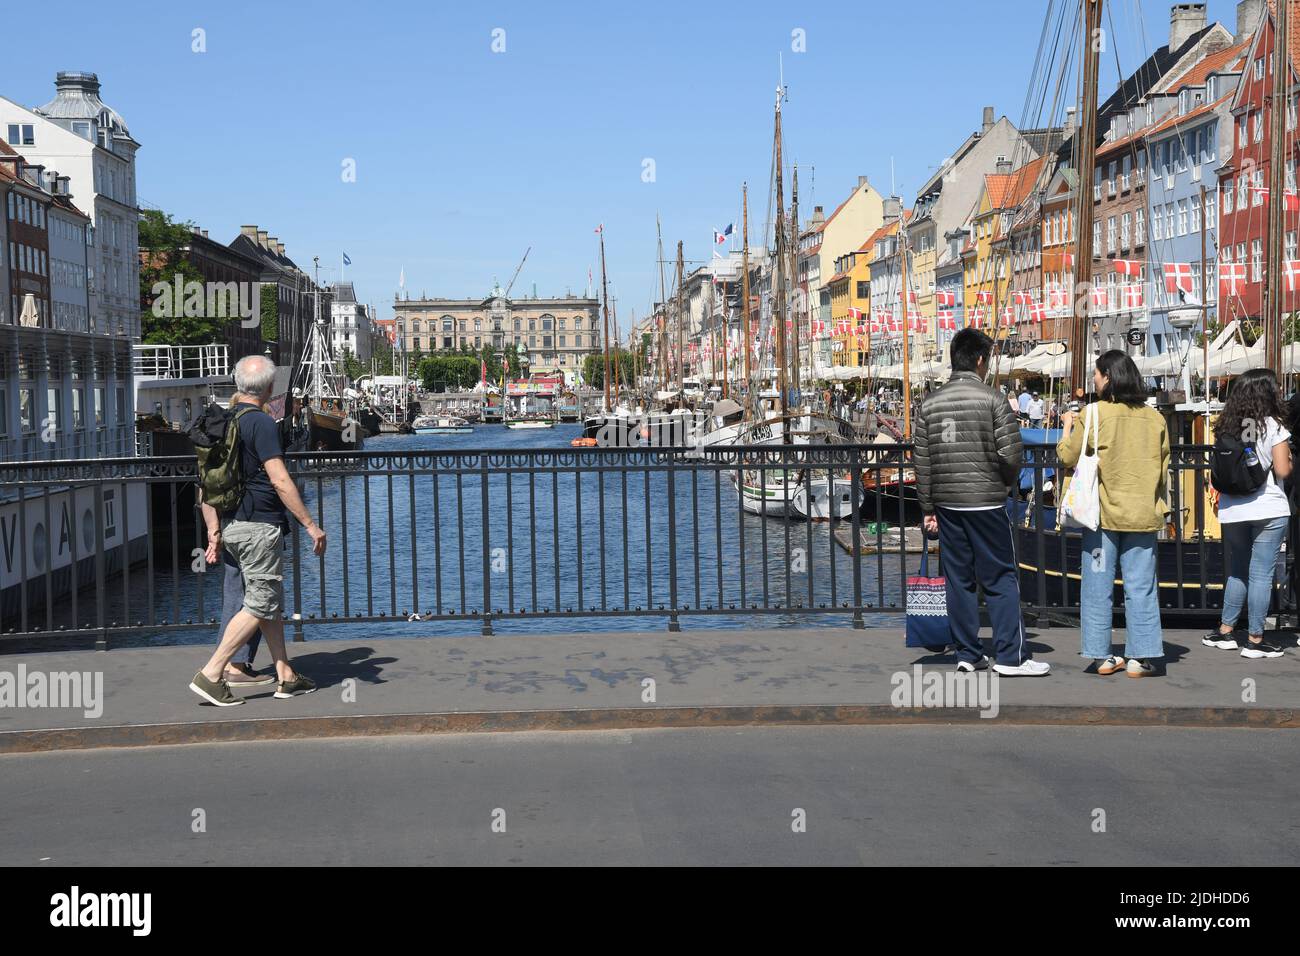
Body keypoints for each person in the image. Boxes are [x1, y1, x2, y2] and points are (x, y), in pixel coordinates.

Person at [190, 354, 328, 706]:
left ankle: (286, 675)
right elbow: (280, 479)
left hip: (233, 525)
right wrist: (311, 525)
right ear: (269, 388)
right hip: (259, 527)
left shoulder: (224, 422)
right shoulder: (262, 423)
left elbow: (204, 484)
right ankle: (212, 673)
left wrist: (213, 532)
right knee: (260, 601)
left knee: (268, 601)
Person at [915, 328, 1049, 676]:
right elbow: (1011, 453)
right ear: (979, 360)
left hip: (947, 503)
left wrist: (928, 507)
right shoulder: (993, 400)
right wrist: (1004, 484)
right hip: (986, 501)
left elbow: (923, 462)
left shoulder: (929, 405)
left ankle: (967, 653)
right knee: (1001, 577)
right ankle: (1010, 656)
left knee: (959, 580)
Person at [1058, 351, 1168, 678]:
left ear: (1107, 376)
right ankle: (1140, 657)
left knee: (1096, 586)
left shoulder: (1093, 413)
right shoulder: (1156, 419)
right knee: (1141, 587)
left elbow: (1067, 456)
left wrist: (1066, 427)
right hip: (1143, 514)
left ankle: (1101, 655)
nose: (1093, 379)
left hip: (1101, 518)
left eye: (1095, 374)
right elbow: (1163, 470)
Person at [1203, 368, 1293, 659]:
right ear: (1265, 391)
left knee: (1238, 570)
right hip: (1268, 507)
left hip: (1233, 509)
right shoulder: (1272, 426)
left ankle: (1225, 631)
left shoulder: (1227, 425)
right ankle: (1255, 639)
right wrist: (1288, 459)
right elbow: (1282, 470)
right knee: (1261, 574)